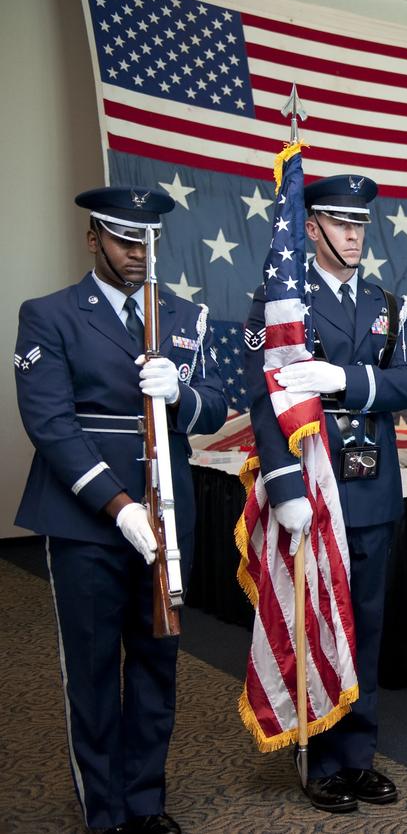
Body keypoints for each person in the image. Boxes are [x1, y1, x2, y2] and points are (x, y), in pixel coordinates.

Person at [14, 186, 227, 834]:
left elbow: (216, 405)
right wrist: (118, 505)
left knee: (158, 664)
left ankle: (144, 802)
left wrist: (182, 394)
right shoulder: (50, 315)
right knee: (95, 669)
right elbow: (50, 425)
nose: (137, 253)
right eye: (124, 239)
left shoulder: (182, 315)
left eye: (148, 240)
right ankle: (104, 811)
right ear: (94, 239)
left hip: (167, 517)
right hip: (89, 522)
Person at [244, 174, 407, 812]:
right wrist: (284, 484)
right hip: (313, 483)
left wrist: (343, 379)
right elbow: (266, 398)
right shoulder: (280, 301)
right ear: (311, 227)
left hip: (371, 486)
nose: (354, 235)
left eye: (361, 224)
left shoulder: (388, 303)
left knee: (366, 625)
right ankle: (319, 755)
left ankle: (357, 756)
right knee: (314, 623)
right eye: (341, 224)